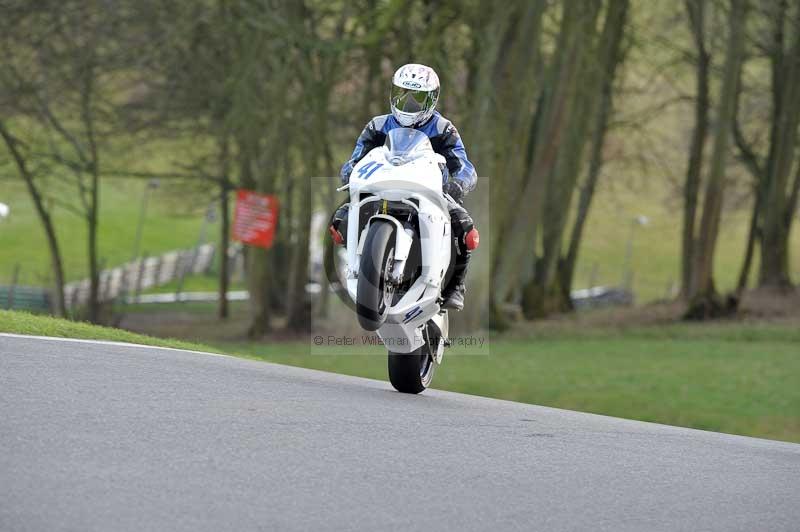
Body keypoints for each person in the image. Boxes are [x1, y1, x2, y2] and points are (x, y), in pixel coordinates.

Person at [331, 63, 477, 311]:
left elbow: (464, 166)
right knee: (339, 220)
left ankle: (455, 286)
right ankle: (358, 265)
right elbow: (356, 158)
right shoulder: (377, 125)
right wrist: (349, 172)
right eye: (403, 94)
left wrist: (458, 184)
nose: (408, 104)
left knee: (464, 228)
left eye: (417, 98)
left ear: (432, 99)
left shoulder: (443, 129)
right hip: (381, 184)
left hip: (429, 190)